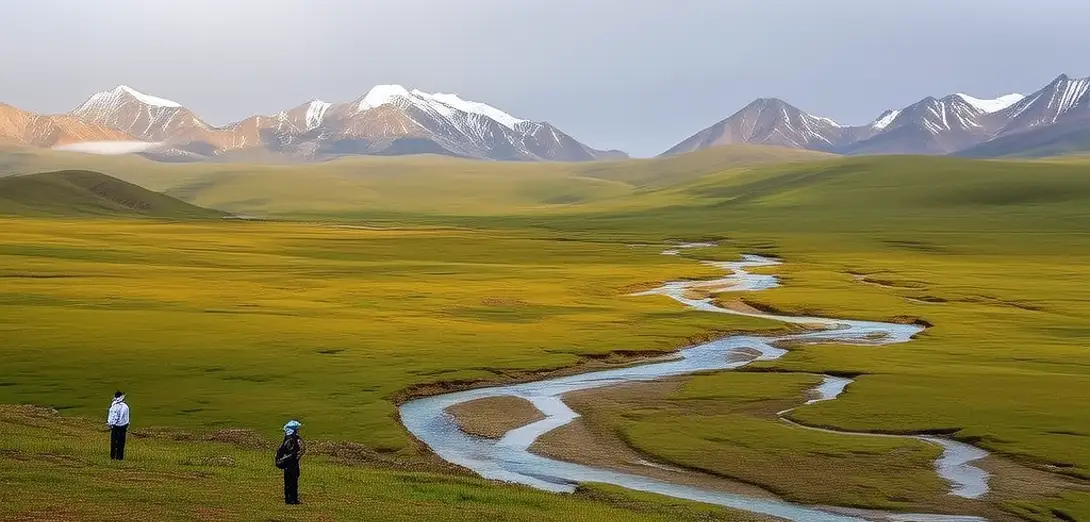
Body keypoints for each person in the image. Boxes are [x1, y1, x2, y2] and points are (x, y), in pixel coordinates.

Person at [275, 420, 306, 505]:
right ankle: (293, 499)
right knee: (293, 482)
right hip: (292, 464)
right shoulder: (295, 438)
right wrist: (297, 457)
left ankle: (288, 499)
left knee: (288, 482)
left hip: (287, 464)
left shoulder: (286, 439)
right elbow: (301, 449)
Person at [105, 391, 130, 460]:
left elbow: (111, 416)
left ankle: (113, 456)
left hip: (114, 426)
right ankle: (119, 457)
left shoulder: (113, 405)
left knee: (114, 441)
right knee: (121, 442)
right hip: (122, 426)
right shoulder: (125, 407)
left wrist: (111, 423)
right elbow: (123, 417)